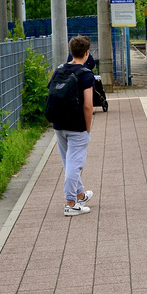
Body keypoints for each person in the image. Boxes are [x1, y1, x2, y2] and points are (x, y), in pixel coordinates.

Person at [51, 35, 95, 216]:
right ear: (86, 53)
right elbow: (88, 105)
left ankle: (80, 194)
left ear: (71, 52)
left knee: (68, 162)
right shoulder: (86, 74)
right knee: (74, 164)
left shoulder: (59, 70)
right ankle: (70, 204)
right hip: (77, 126)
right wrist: (88, 127)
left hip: (58, 123)